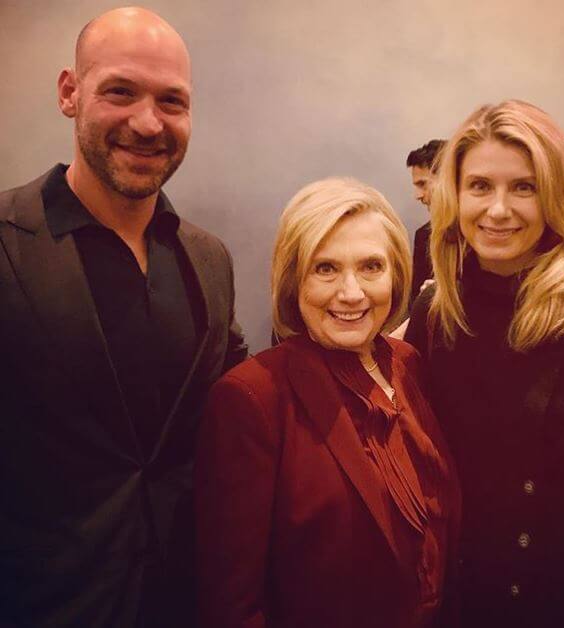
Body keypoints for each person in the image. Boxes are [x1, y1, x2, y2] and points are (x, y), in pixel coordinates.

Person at [0, 7, 246, 627]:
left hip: (185, 605)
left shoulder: (210, 260)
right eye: (120, 91)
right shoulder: (5, 242)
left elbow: (245, 408)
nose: (147, 122)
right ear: (68, 93)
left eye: (172, 102)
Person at [195, 177, 460, 628]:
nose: (352, 292)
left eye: (371, 267)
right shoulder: (252, 398)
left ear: (397, 273)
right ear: (294, 278)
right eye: (326, 268)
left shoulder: (408, 364)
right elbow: (231, 603)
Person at [404, 100, 564, 628]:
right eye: (480, 186)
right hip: (467, 600)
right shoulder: (436, 310)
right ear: (455, 193)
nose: (498, 210)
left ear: (554, 195)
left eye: (524, 187)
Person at [406, 139, 447, 302]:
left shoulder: (485, 232)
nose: (418, 195)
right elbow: (413, 304)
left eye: (423, 184)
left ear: (448, 178)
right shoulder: (423, 236)